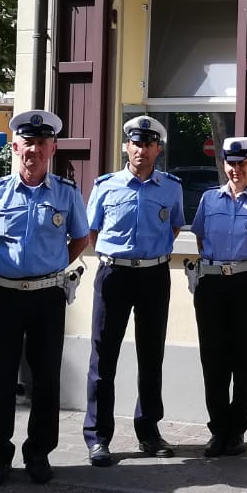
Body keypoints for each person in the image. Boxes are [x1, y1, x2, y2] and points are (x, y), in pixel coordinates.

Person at [0, 110, 89, 487]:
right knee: (0, 378)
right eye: (27, 143)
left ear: (52, 148)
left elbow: (81, 239)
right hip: (3, 296)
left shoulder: (67, 195)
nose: (33, 150)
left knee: (45, 379)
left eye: (41, 143)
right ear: (15, 145)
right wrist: (7, 269)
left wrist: (50, 268)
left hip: (47, 297)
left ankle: (38, 452)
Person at [83, 115, 185, 465]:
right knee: (103, 357)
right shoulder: (106, 185)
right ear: (127, 146)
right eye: (135, 143)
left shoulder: (171, 187)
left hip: (154, 276)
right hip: (114, 275)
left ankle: (149, 431)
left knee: (151, 355)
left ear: (158, 149)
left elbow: (174, 227)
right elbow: (92, 232)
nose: (141, 150)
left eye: (148, 144)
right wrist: (117, 256)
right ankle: (98, 436)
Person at [191, 135, 247, 457]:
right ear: (224, 165)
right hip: (212, 285)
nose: (236, 170)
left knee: (244, 358)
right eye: (230, 164)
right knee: (213, 358)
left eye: (242, 164)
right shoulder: (209, 200)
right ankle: (218, 430)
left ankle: (236, 430)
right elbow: (200, 238)